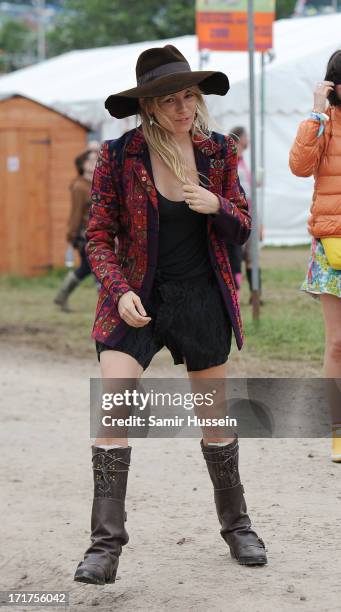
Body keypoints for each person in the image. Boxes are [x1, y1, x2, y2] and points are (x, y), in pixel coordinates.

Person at [73, 45, 267, 586]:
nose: (183, 108)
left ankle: (238, 527)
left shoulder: (220, 152)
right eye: (169, 99)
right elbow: (97, 236)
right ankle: (104, 546)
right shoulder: (119, 155)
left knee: (214, 417)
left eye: (189, 96)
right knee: (115, 407)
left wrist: (217, 206)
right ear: (149, 106)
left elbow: (243, 225)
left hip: (201, 294)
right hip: (137, 297)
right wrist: (117, 291)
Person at [289, 49, 341, 462]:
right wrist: (316, 114)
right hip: (333, 246)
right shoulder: (324, 122)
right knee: (337, 343)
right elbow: (300, 166)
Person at [54, 146, 99, 312]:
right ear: (83, 164)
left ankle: (62, 296)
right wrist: (71, 235)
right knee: (98, 268)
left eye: (97, 159)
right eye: (91, 160)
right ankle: (109, 307)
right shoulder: (79, 186)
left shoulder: (96, 183)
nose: (95, 162)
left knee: (86, 268)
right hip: (85, 236)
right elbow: (75, 214)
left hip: (99, 233)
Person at [228, 127, 264, 305]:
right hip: (237, 215)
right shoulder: (231, 159)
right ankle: (236, 294)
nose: (248, 139)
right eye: (247, 136)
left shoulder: (243, 162)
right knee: (235, 256)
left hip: (250, 213)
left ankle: (255, 294)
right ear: (240, 139)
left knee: (252, 256)